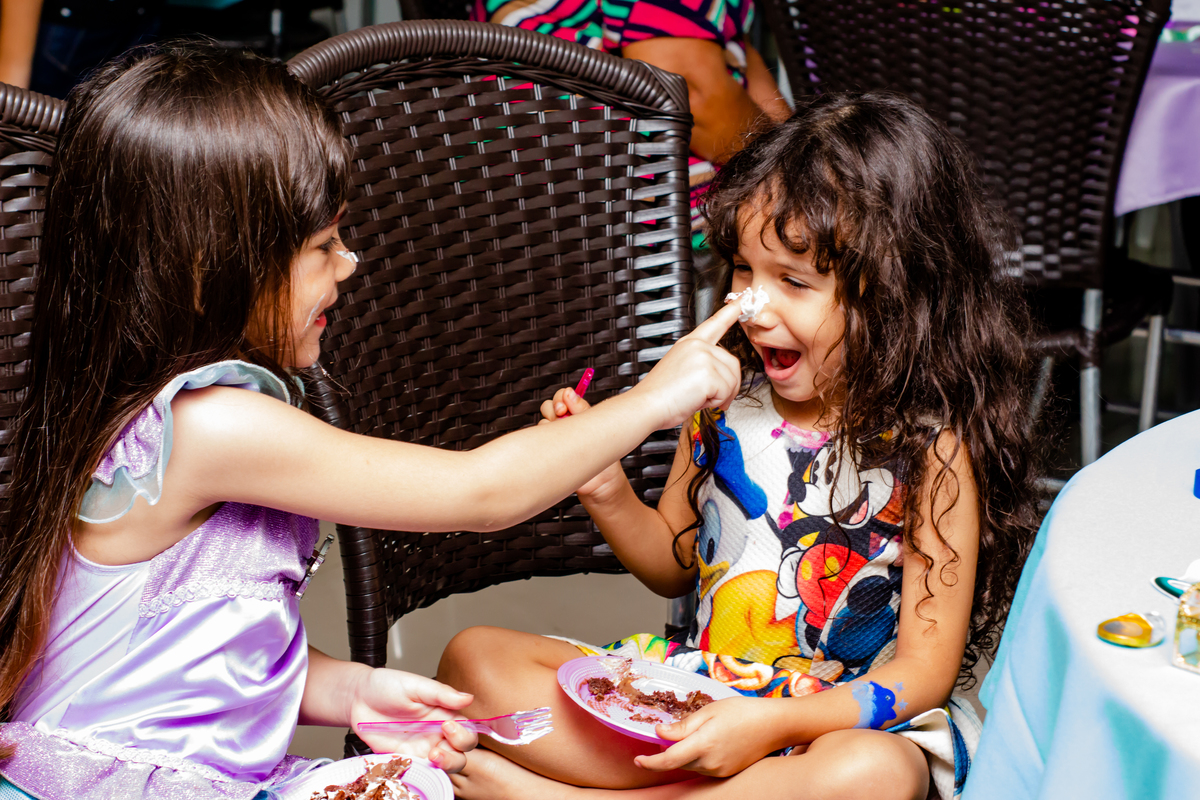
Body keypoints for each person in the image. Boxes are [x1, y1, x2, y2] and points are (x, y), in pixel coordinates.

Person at [0, 44, 745, 800]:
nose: (349, 263)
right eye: (323, 245)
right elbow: (480, 493)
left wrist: (352, 690)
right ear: (208, 267)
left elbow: (185, 655)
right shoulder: (209, 426)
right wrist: (653, 399)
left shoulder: (184, 413)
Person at [437, 92, 1044, 800]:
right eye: (744, 271)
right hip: (704, 692)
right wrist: (605, 488)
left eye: (794, 280)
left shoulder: (930, 451)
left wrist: (770, 725)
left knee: (874, 776)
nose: (752, 306)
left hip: (825, 725)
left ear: (894, 293)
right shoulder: (723, 406)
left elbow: (923, 674)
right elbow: (673, 565)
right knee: (474, 661)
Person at [471, 0, 792, 254]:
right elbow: (692, 98)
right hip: (606, 205)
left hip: (495, 182)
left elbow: (736, 52)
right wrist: (794, 181)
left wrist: (795, 154)